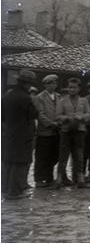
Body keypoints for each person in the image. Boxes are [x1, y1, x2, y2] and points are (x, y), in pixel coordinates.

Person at [2, 70, 39, 199]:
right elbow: (34, 114)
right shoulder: (25, 97)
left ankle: (5, 189)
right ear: (26, 84)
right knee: (20, 163)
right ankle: (15, 192)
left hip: (9, 133)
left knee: (8, 162)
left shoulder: (7, 95)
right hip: (23, 135)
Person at [55, 77, 90, 188]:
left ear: (79, 89)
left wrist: (82, 117)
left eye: (74, 88)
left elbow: (89, 114)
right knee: (63, 156)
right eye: (70, 87)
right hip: (66, 131)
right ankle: (59, 178)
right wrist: (66, 118)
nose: (72, 90)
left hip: (79, 131)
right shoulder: (62, 101)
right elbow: (57, 116)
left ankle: (79, 178)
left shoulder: (84, 101)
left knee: (79, 155)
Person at [33, 74, 61, 188]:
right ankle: (39, 179)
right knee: (42, 156)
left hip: (56, 132)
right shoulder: (40, 97)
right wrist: (51, 123)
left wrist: (60, 122)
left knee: (53, 156)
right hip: (45, 132)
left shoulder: (58, 96)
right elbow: (40, 114)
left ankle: (49, 178)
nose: (52, 85)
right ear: (45, 85)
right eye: (49, 83)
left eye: (54, 83)